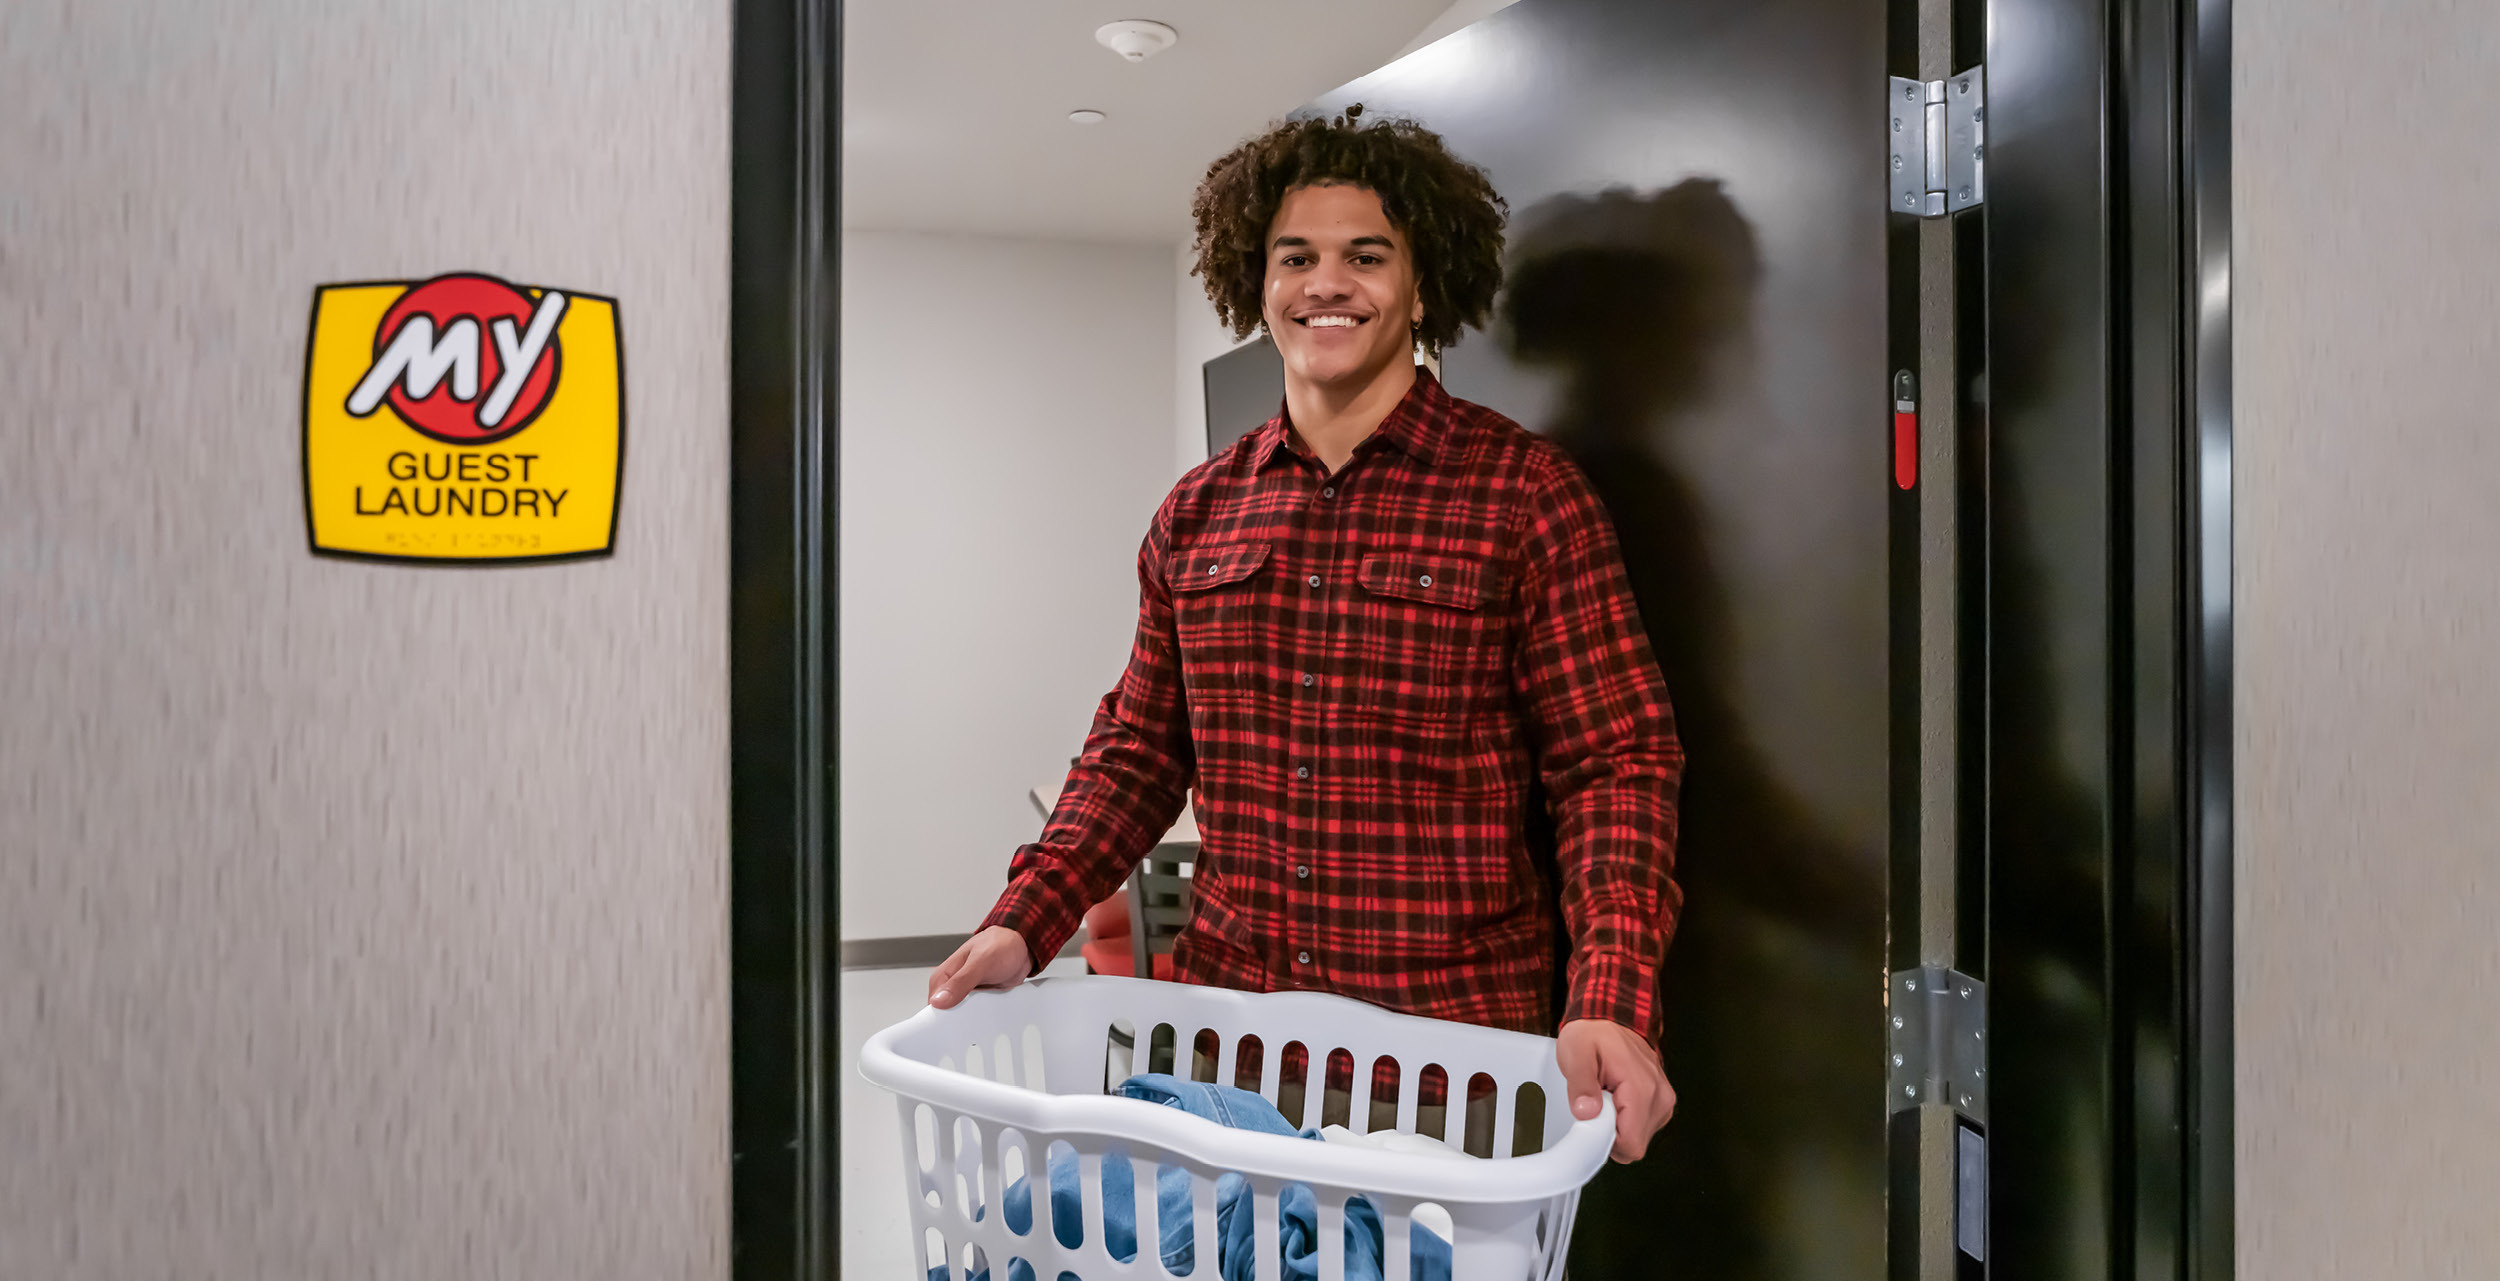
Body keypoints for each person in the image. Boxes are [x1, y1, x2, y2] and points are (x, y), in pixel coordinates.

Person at [928, 109, 1685, 1164]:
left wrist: (1610, 996)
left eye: (1365, 256)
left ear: (1421, 286)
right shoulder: (1197, 513)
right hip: (1229, 1051)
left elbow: (1613, 765)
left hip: (1449, 1062)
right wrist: (1029, 915)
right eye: (1297, 257)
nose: (1327, 283)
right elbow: (1140, 748)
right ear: (1257, 281)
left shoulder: (1526, 497)